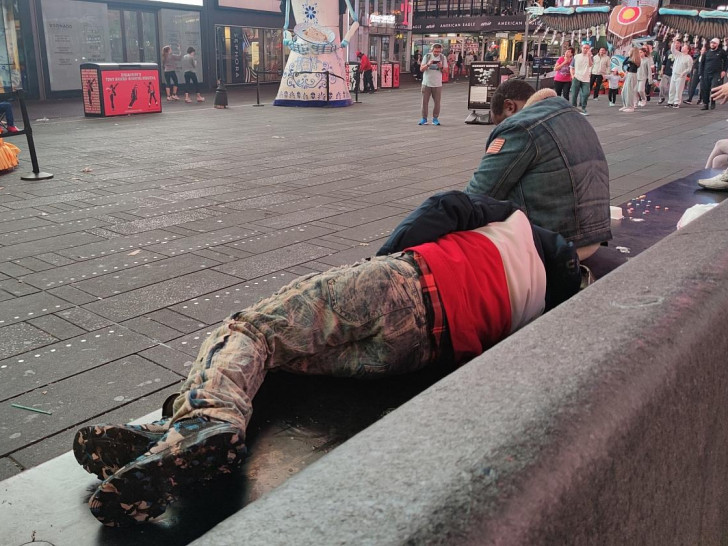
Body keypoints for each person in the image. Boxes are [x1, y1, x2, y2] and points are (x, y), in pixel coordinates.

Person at [73, 190, 587, 527]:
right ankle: (170, 439)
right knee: (281, 358)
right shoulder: (540, 307)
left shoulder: (520, 226)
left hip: (407, 282)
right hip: (421, 350)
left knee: (253, 329)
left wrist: (379, 262)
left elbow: (444, 207)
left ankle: (208, 420)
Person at [464, 80, 611, 260]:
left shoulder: (520, 127)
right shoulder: (572, 114)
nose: (499, 129)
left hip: (557, 245)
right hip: (593, 235)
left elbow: (478, 193)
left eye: (498, 124)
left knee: (466, 218)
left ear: (509, 106)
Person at [418, 43, 448, 126]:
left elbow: (446, 71)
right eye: (435, 51)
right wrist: (428, 64)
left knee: (437, 102)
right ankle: (424, 119)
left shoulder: (443, 57)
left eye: (438, 51)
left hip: (437, 83)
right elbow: (421, 69)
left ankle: (435, 118)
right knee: (424, 102)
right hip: (426, 83)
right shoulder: (427, 56)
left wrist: (441, 66)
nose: (436, 53)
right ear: (432, 50)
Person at [700, 37, 727, 110]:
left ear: (717, 44)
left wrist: (724, 70)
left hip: (716, 73)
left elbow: (726, 61)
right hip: (706, 73)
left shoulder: (721, 52)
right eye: (711, 43)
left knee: (713, 88)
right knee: (705, 89)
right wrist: (700, 74)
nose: (712, 44)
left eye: (714, 43)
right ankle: (705, 104)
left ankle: (713, 102)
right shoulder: (706, 53)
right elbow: (702, 63)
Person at [668, 36, 693, 109]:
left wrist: (684, 73)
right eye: (683, 47)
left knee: (678, 89)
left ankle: (676, 102)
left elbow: (689, 68)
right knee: (672, 88)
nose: (682, 48)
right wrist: (674, 41)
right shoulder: (678, 54)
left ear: (687, 50)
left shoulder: (689, 58)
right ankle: (670, 101)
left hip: (681, 75)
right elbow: (672, 49)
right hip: (674, 74)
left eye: (684, 47)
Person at [570, 41, 593, 115]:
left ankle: (583, 108)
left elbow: (590, 65)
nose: (585, 49)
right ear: (581, 48)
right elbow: (571, 67)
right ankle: (574, 107)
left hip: (586, 78)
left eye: (587, 48)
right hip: (576, 77)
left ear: (589, 49)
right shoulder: (576, 56)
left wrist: (589, 57)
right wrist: (572, 75)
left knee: (586, 93)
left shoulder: (590, 57)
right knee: (574, 94)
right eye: (584, 48)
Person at [620, 47, 640, 113]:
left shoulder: (632, 60)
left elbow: (624, 63)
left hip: (632, 75)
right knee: (624, 91)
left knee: (629, 91)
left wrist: (628, 56)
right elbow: (628, 67)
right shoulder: (632, 60)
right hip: (630, 75)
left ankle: (630, 106)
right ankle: (626, 105)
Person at [657, 40, 675, 105]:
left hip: (673, 73)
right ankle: (661, 97)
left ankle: (672, 99)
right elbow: (664, 62)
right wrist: (662, 70)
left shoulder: (678, 53)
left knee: (672, 88)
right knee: (662, 86)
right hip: (666, 72)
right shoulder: (667, 53)